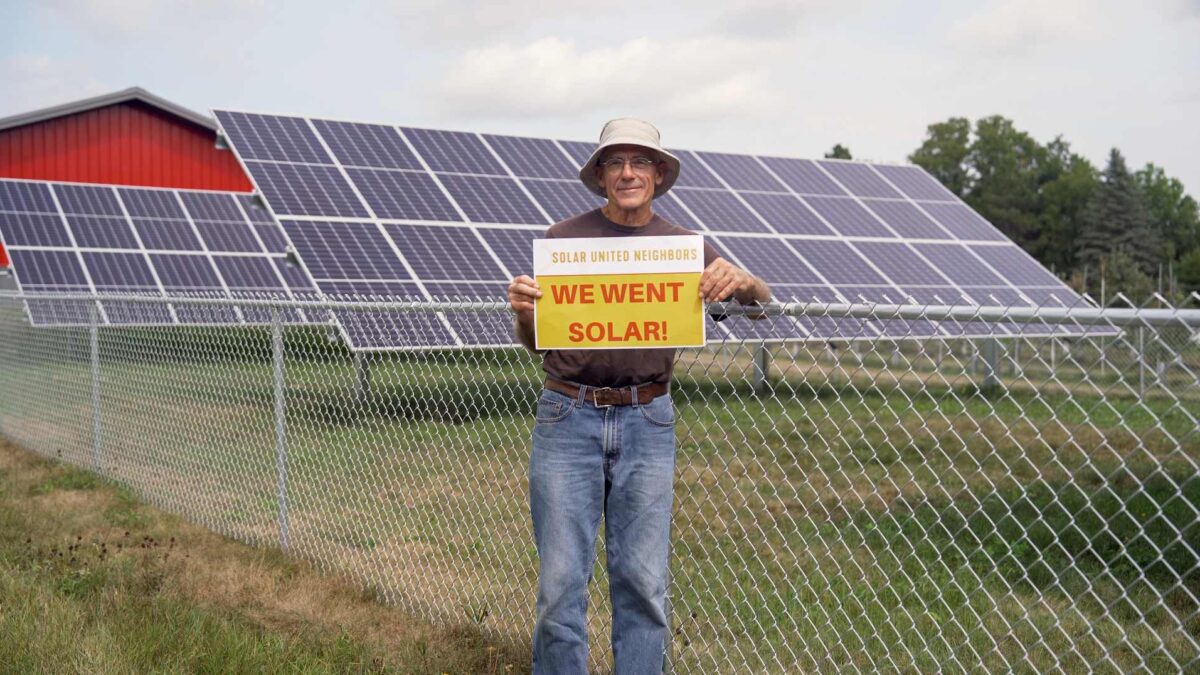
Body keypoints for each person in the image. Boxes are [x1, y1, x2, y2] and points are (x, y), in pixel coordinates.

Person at [507, 118, 770, 674]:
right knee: (559, 588)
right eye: (616, 163)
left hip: (648, 419)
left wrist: (743, 281)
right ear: (600, 176)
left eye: (640, 162)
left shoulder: (682, 248)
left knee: (644, 586)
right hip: (567, 414)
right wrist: (525, 315)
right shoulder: (563, 241)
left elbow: (760, 305)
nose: (628, 173)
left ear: (657, 174)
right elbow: (537, 344)